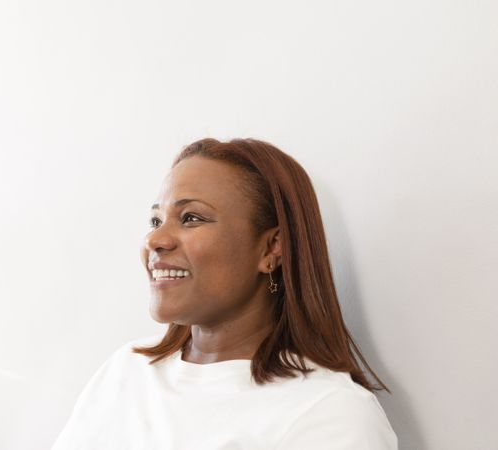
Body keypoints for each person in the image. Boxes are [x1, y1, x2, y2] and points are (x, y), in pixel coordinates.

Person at [51, 138, 398, 449]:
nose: (155, 240)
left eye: (191, 218)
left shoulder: (329, 414)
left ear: (271, 248)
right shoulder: (127, 370)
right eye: (156, 221)